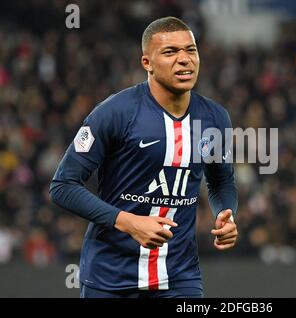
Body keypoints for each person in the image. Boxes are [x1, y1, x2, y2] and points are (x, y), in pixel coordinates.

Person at [49, 16, 238, 298]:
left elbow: (221, 181)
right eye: (170, 52)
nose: (184, 59)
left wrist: (226, 212)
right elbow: (63, 186)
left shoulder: (214, 118)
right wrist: (127, 221)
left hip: (179, 277)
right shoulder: (115, 112)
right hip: (110, 278)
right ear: (146, 63)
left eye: (191, 50)